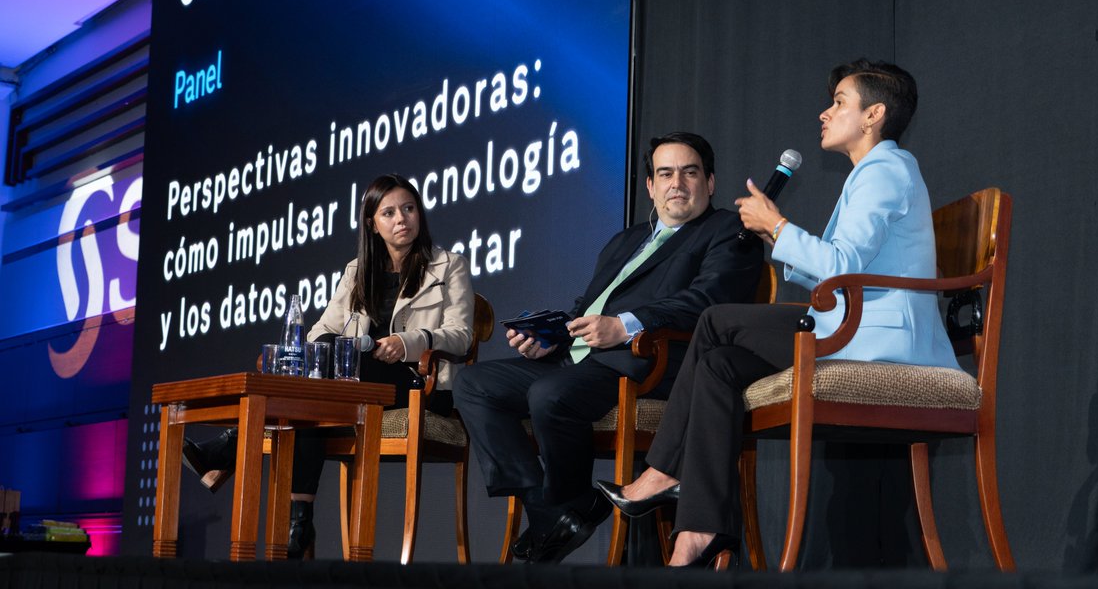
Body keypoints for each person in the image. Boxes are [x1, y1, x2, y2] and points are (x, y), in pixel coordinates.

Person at [594, 60, 960, 567]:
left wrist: (781, 226)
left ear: (874, 114)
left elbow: (841, 267)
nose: (825, 113)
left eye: (839, 102)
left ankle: (661, 473)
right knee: (720, 365)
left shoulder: (885, 171)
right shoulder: (874, 173)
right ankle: (698, 531)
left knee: (717, 320)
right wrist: (777, 236)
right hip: (848, 324)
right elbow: (835, 277)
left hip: (877, 338)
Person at [453, 132, 764, 563]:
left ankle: (566, 508)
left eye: (690, 173)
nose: (678, 183)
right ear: (651, 187)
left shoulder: (728, 230)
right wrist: (549, 337)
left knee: (549, 395)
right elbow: (587, 307)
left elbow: (708, 300)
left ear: (709, 183)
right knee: (471, 383)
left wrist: (626, 326)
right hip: (578, 358)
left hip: (649, 363)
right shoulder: (625, 241)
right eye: (665, 174)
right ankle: (551, 510)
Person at [180, 174, 473, 558]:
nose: (402, 218)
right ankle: (298, 522)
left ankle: (234, 449)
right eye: (389, 212)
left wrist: (408, 342)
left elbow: (461, 335)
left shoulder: (449, 265)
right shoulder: (358, 270)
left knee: (329, 374)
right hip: (357, 385)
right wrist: (300, 360)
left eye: (409, 208)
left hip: (418, 383)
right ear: (372, 223)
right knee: (319, 382)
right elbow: (323, 331)